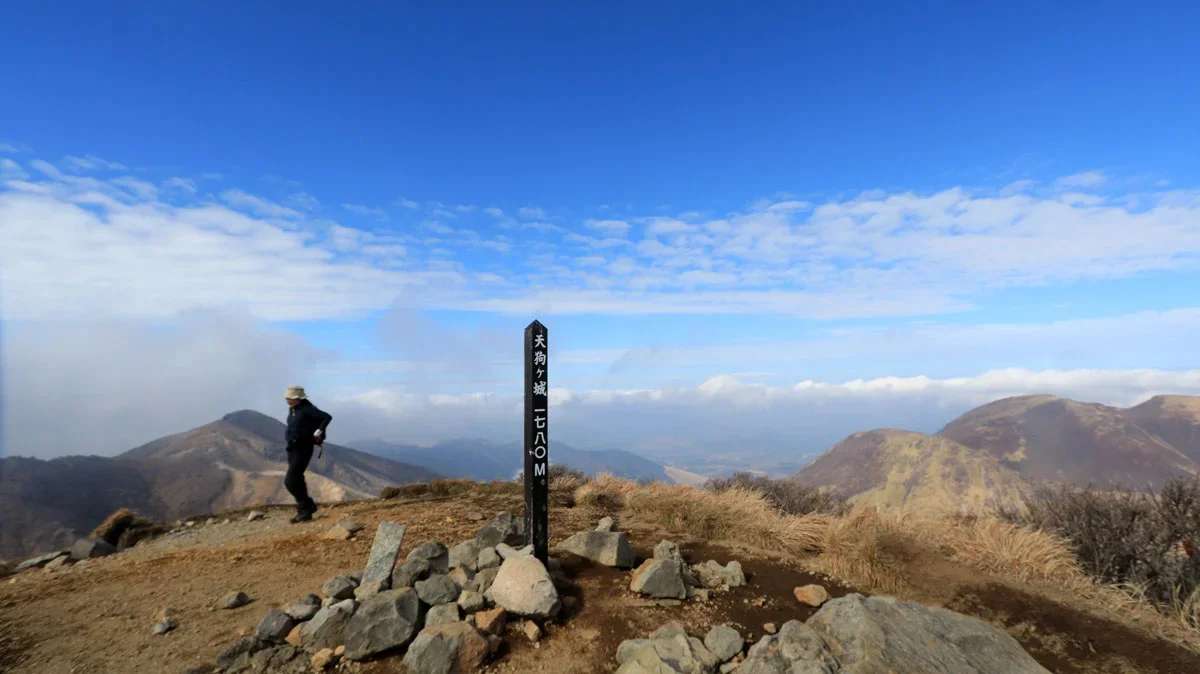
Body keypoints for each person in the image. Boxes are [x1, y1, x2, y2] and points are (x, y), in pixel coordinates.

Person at [283, 385, 332, 523]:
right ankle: (305, 511)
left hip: (303, 448)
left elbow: (327, 417)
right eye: (287, 397)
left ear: (299, 398)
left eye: (292, 398)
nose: (288, 400)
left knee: (290, 481)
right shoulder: (293, 409)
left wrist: (319, 431)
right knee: (297, 479)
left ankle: (307, 506)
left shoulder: (307, 409)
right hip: (292, 447)